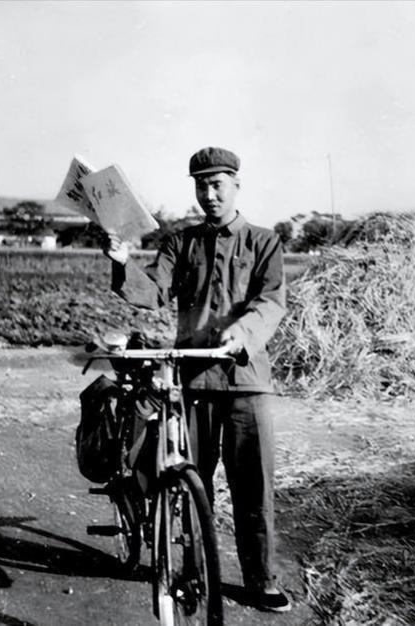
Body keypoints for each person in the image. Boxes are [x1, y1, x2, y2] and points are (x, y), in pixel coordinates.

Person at [102, 147, 290, 612]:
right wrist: (123, 261)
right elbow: (152, 292)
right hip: (194, 383)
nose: (209, 195)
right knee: (188, 482)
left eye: (217, 185)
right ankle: (188, 569)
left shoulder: (264, 242)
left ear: (235, 186)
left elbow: (271, 302)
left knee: (254, 485)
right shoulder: (180, 243)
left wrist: (240, 333)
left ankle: (261, 579)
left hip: (246, 380)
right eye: (201, 186)